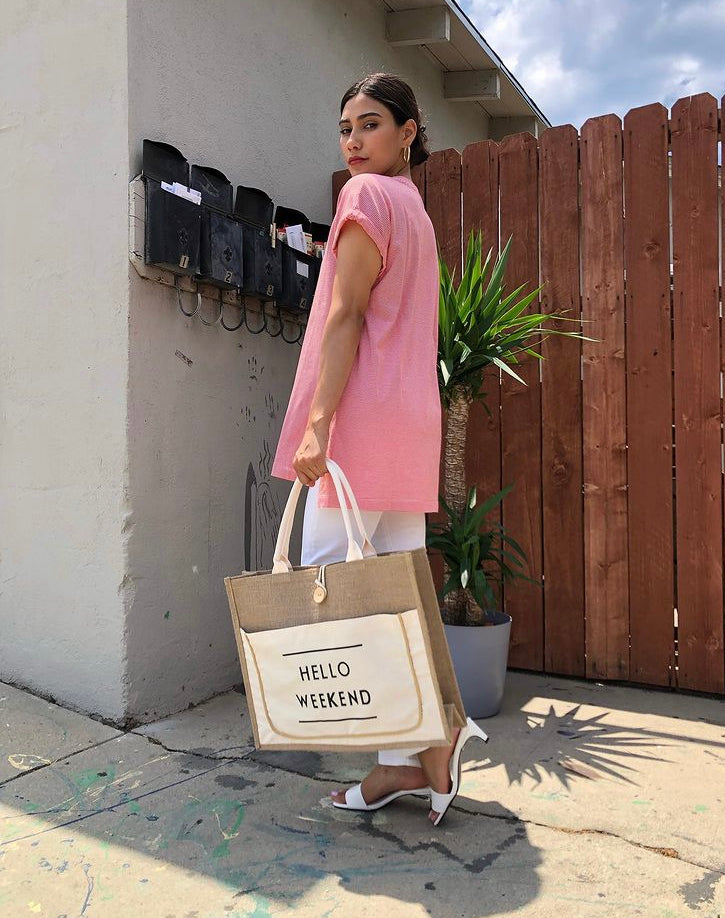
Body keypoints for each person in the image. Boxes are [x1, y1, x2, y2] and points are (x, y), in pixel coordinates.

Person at [270, 72, 486, 825]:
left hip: (360, 428)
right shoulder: (415, 211)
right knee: (391, 598)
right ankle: (408, 761)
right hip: (407, 425)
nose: (354, 140)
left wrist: (319, 421)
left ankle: (431, 741)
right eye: (345, 128)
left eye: (370, 124)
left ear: (409, 131)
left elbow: (347, 315)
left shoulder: (364, 199)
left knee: (348, 602)